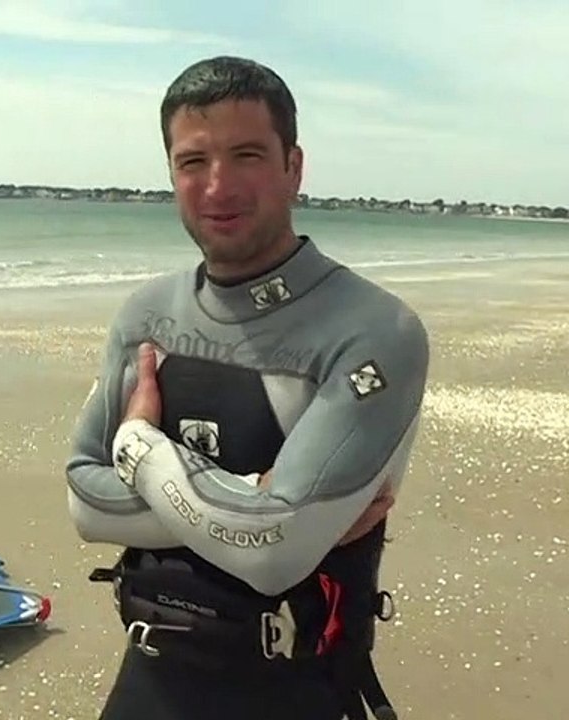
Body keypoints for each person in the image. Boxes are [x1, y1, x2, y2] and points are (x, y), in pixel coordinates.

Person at [64, 55, 429, 720]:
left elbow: (275, 554)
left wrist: (140, 446)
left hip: (296, 690)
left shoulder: (373, 330)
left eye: (247, 155)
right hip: (149, 680)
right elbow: (83, 503)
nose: (217, 186)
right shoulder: (146, 317)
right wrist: (249, 502)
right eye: (192, 161)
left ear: (293, 166)